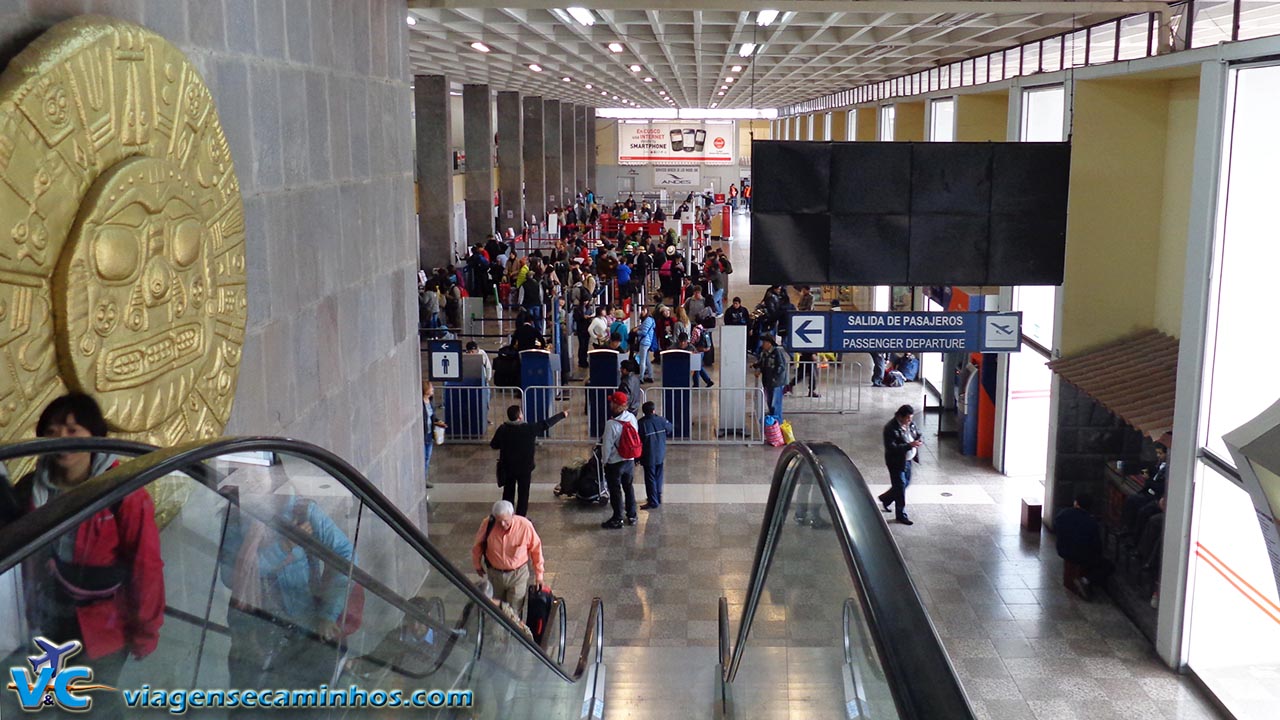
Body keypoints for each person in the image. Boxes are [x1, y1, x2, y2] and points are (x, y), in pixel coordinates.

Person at [10, 394, 163, 719]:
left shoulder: (124, 493)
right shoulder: (32, 489)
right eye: (51, 431)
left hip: (102, 630)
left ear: (94, 436)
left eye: (72, 430)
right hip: (47, 622)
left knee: (91, 705)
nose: (60, 440)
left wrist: (146, 631)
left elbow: (146, 567)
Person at [221, 495, 356, 697]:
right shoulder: (235, 518)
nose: (250, 480)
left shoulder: (301, 512)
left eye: (258, 473)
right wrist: (283, 547)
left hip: (303, 630)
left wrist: (328, 614)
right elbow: (230, 576)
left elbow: (347, 555)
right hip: (254, 633)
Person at [489, 404, 569, 517]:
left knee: (508, 493)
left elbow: (494, 445)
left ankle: (507, 515)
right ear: (520, 417)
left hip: (508, 467)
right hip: (524, 468)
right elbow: (546, 423)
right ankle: (521, 518)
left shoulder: (503, 429)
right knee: (523, 494)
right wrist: (562, 415)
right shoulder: (529, 429)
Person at [471, 500, 545, 613]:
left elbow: (536, 550)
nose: (502, 525)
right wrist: (477, 564)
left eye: (506, 521)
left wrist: (539, 575)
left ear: (512, 515)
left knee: (513, 611)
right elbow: (478, 545)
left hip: (517, 575)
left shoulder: (525, 526)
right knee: (496, 610)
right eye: (499, 521)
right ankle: (498, 631)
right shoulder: (488, 524)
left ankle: (512, 630)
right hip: (495, 575)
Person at [1054, 494, 1113, 599]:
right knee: (1108, 566)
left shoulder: (1063, 514)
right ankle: (1085, 580)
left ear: (1076, 503)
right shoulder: (1091, 522)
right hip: (1082, 556)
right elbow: (1097, 545)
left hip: (1063, 550)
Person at [600, 391, 640, 529]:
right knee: (628, 487)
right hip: (629, 460)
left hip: (615, 463)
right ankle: (632, 515)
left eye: (612, 402)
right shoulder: (631, 418)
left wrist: (604, 461)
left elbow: (607, 445)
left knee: (615, 490)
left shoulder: (611, 424)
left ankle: (617, 518)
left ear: (617, 405)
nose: (610, 403)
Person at [878, 404, 922, 525]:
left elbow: (917, 433)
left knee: (904, 484)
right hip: (896, 462)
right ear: (900, 416)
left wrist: (918, 440)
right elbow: (892, 448)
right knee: (901, 487)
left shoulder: (910, 424)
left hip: (907, 461)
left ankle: (886, 498)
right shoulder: (890, 428)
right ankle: (901, 515)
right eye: (908, 418)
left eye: (911, 418)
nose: (910, 421)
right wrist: (909, 445)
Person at [1121, 443, 1168, 537]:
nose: (1158, 455)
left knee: (1143, 511)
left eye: (1160, 453)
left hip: (1156, 496)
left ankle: (1135, 536)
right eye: (1157, 453)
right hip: (1148, 492)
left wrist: (1148, 480)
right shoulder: (1158, 464)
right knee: (1131, 500)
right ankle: (1127, 527)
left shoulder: (1167, 469)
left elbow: (1160, 487)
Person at [638, 402, 674, 509]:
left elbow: (638, 441)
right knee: (658, 476)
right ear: (654, 410)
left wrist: (637, 458)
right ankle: (658, 496)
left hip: (648, 455)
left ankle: (653, 501)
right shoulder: (661, 420)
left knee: (650, 478)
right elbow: (670, 429)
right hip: (660, 453)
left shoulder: (641, 423)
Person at [754, 335, 789, 418]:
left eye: (764, 342)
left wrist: (775, 377)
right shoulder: (764, 353)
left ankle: (776, 421)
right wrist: (756, 366)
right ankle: (772, 417)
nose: (763, 344)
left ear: (769, 343)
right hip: (767, 381)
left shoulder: (777, 352)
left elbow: (781, 366)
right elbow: (761, 363)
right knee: (770, 401)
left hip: (776, 383)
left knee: (775, 403)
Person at [423, 381, 446, 489]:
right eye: (431, 388)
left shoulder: (430, 402)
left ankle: (425, 478)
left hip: (429, 433)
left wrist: (438, 421)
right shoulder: (420, 403)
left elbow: (432, 416)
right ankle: (422, 478)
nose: (433, 390)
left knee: (427, 457)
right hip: (423, 434)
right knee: (423, 457)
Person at [636, 305, 657, 383]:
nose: (641, 312)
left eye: (643, 311)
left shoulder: (647, 320)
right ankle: (650, 376)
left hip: (644, 342)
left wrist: (637, 332)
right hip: (648, 342)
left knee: (642, 360)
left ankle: (641, 377)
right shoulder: (650, 320)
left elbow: (644, 332)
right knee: (647, 360)